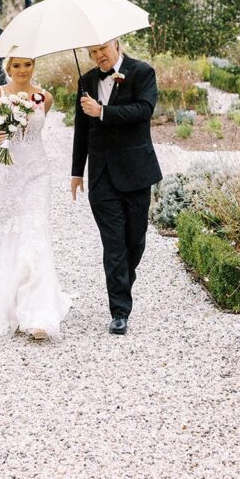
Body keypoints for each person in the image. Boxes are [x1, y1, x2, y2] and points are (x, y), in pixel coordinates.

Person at [0, 56, 72, 340]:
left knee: (35, 230)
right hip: (7, 172)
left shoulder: (45, 97)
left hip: (36, 171)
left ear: (34, 67)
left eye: (28, 65)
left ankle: (38, 312)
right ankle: (6, 297)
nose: (23, 71)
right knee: (8, 232)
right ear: (8, 69)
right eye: (17, 66)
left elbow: (36, 130)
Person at [70, 39, 162, 335]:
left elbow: (143, 111)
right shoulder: (85, 81)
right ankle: (119, 311)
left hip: (136, 172)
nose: (98, 56)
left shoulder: (143, 72)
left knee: (134, 241)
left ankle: (122, 283)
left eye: (102, 49)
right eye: (92, 52)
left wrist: (103, 112)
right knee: (113, 244)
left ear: (117, 45)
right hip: (102, 176)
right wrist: (76, 172)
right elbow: (81, 129)